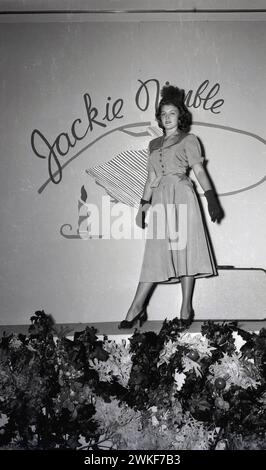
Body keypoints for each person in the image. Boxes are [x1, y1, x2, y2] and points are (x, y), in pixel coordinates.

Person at [118, 84, 223, 331]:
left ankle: (186, 307)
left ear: (180, 116)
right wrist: (143, 206)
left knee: (185, 251)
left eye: (172, 113)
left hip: (183, 195)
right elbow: (151, 177)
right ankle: (137, 307)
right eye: (163, 113)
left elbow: (198, 170)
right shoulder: (153, 144)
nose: (167, 117)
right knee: (155, 254)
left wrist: (211, 198)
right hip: (161, 199)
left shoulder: (190, 139)